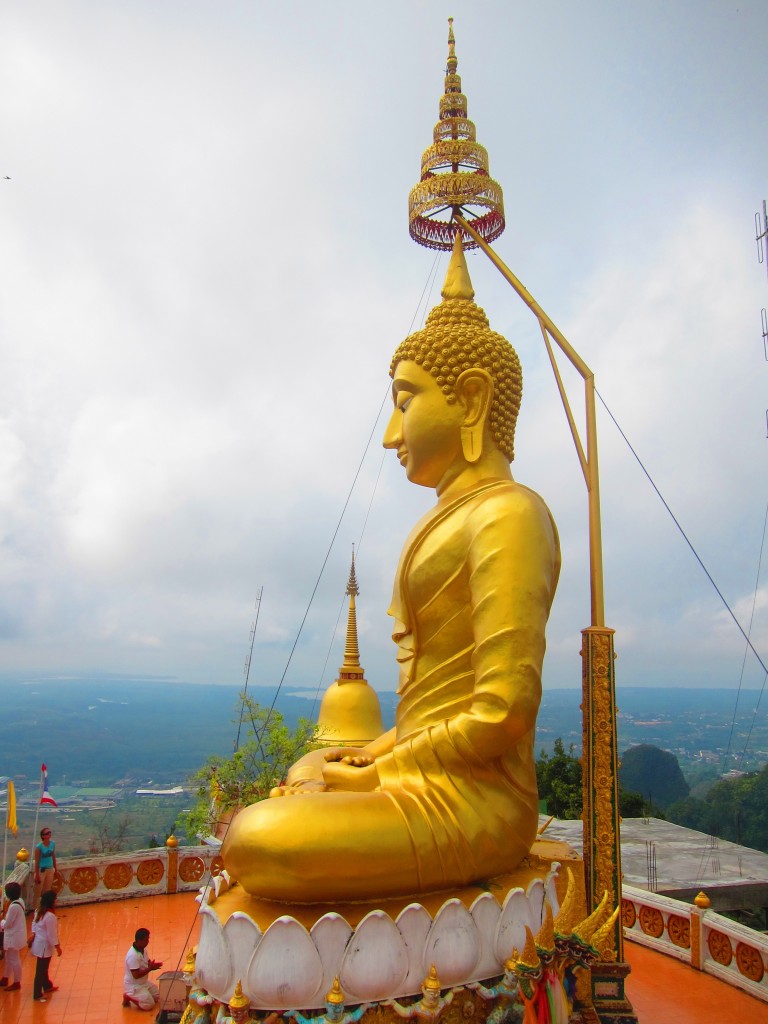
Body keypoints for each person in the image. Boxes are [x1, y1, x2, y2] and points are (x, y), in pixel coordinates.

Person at [222, 234, 560, 902]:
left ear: (469, 398)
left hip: (476, 799)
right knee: (304, 769)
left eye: (406, 402)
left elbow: (502, 712)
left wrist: (374, 775)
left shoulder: (510, 514)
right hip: (415, 771)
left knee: (262, 840)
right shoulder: (444, 519)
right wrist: (363, 758)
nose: (392, 434)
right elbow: (419, 718)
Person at [30, 889, 61, 1002]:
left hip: (39, 943)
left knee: (43, 968)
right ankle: (37, 993)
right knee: (41, 969)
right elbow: (51, 935)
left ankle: (47, 985)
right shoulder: (50, 916)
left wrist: (33, 934)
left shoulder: (39, 911)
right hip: (44, 946)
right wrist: (57, 947)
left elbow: (34, 923)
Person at [123, 927, 162, 1011]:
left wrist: (153, 965)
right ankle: (128, 995)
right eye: (146, 940)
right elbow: (136, 975)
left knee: (157, 996)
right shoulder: (132, 956)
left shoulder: (143, 949)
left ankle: (143, 995)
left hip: (144, 982)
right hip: (134, 985)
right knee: (149, 1005)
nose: (148, 941)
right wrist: (150, 968)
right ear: (139, 940)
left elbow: (148, 962)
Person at [0, 881, 27, 992]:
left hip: (13, 936)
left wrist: (1, 922)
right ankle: (5, 977)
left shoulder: (13, 907)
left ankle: (16, 981)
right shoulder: (20, 901)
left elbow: (7, 924)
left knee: (14, 959)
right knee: (9, 958)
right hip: (17, 934)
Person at [34, 827, 57, 908]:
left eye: (49, 832)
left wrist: (55, 868)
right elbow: (36, 861)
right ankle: (37, 909)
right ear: (43, 836)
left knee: (47, 891)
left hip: (50, 869)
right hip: (41, 870)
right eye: (47, 833)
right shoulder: (39, 847)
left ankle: (45, 908)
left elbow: (53, 856)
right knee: (38, 892)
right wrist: (37, 874)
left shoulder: (52, 844)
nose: (49, 834)